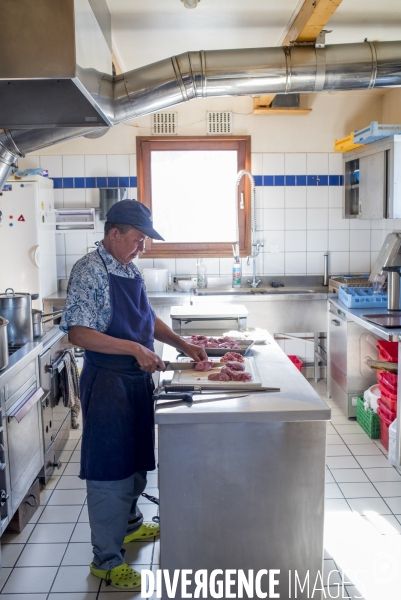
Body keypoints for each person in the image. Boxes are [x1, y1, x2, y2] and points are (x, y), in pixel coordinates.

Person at [60, 199, 207, 590]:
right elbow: (78, 332)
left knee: (136, 462)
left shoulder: (129, 269)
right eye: (138, 239)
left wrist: (181, 343)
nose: (142, 247)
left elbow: (146, 318)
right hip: (108, 383)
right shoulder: (88, 271)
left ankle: (128, 528)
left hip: (136, 382)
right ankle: (105, 562)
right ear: (114, 234)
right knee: (110, 470)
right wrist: (134, 349)